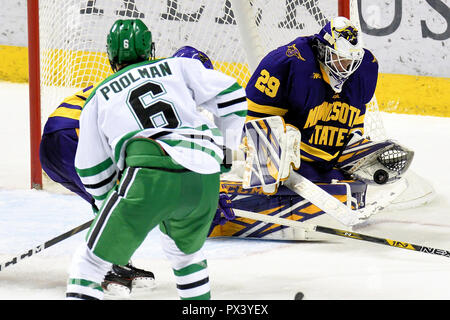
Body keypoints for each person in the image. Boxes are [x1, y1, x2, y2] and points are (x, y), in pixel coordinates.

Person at [65, 18, 247, 300]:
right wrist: (225, 154)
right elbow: (234, 96)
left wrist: (108, 207)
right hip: (204, 174)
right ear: (150, 49)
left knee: (89, 264)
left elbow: (92, 171)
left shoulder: (99, 96)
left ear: (110, 55)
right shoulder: (179, 66)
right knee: (187, 258)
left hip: (150, 172)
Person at [40, 44, 216, 296]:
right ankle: (108, 268)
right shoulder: (169, 92)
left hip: (55, 140)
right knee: (117, 200)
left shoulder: (149, 78)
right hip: (73, 135)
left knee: (115, 198)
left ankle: (112, 263)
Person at [245, 16, 379, 183]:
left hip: (330, 162)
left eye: (351, 62)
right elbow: (254, 122)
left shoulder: (365, 69)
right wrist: (270, 164)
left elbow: (355, 119)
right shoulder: (287, 64)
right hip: (292, 163)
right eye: (340, 59)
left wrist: (355, 150)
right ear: (322, 49)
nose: (346, 68)